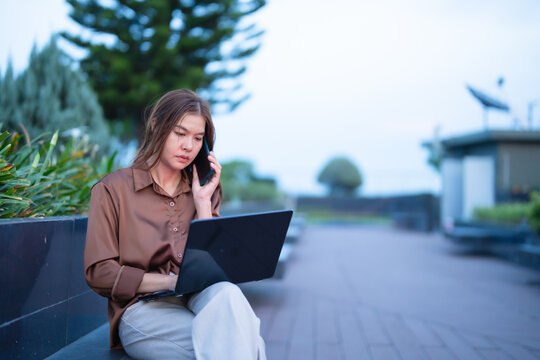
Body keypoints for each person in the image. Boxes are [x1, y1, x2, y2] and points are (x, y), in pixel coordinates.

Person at [84, 89, 266, 360]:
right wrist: (170, 282)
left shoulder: (204, 191)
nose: (188, 147)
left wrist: (203, 203)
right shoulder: (113, 189)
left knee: (229, 294)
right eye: (180, 134)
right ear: (157, 126)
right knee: (239, 341)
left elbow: (214, 268)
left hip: (198, 297)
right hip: (142, 309)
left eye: (198, 139)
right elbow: (100, 273)